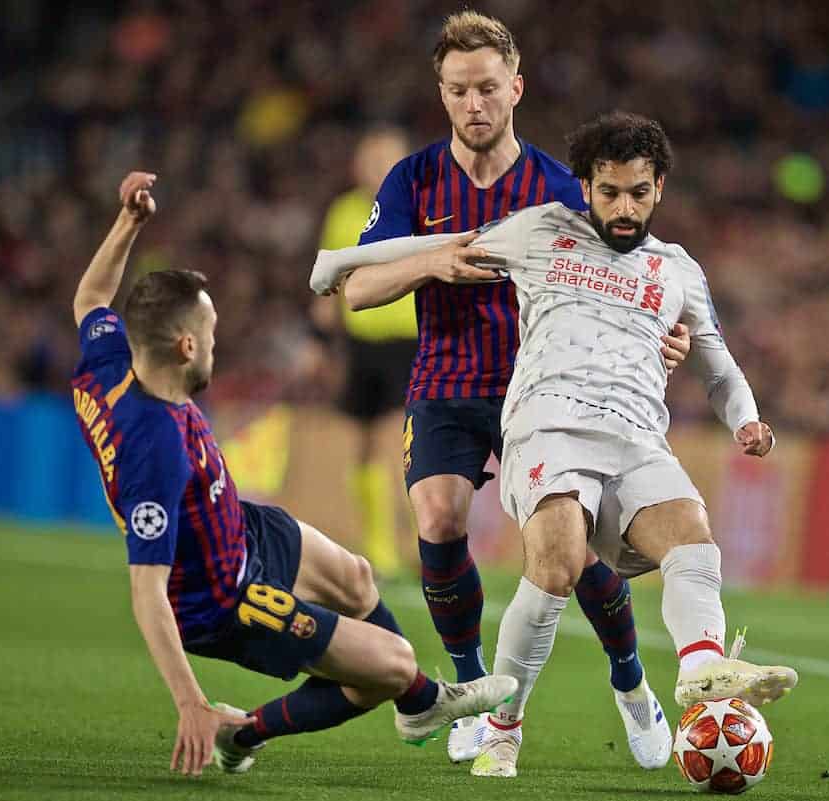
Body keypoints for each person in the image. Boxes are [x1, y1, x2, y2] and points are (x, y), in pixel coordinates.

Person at [308, 111, 800, 779]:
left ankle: (702, 668)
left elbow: (717, 360)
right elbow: (444, 240)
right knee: (561, 557)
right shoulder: (543, 230)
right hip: (548, 426)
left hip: (634, 435)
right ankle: (503, 730)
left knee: (692, 533)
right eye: (609, 192)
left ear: (659, 188)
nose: (623, 208)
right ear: (586, 187)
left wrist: (747, 419)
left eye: (638, 192)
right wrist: (339, 263)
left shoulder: (678, 270)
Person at [70, 171, 516, 778]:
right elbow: (148, 591)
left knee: (358, 578)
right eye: (209, 336)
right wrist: (190, 702)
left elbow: (91, 300)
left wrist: (128, 223)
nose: (215, 345)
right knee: (387, 667)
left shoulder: (110, 361)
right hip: (224, 596)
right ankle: (282, 724)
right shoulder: (154, 449)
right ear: (183, 348)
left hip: (239, 525)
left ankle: (411, 705)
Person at [341, 10, 687, 767]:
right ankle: (471, 690)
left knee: (579, 555)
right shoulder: (413, 180)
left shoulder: (562, 188)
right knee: (436, 518)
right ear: (442, 94)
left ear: (516, 88)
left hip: (544, 390)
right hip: (444, 382)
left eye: (488, 88)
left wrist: (671, 333)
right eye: (460, 90)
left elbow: (630, 276)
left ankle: (631, 684)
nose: (475, 104)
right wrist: (432, 261)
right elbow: (359, 289)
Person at [318, 127, 419, 579]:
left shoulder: (419, 207)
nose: (373, 167)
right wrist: (319, 339)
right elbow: (329, 274)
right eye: (368, 158)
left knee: (390, 442)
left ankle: (395, 545)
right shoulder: (343, 211)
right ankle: (376, 539)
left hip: (406, 342)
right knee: (362, 446)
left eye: (384, 159)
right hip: (360, 345)